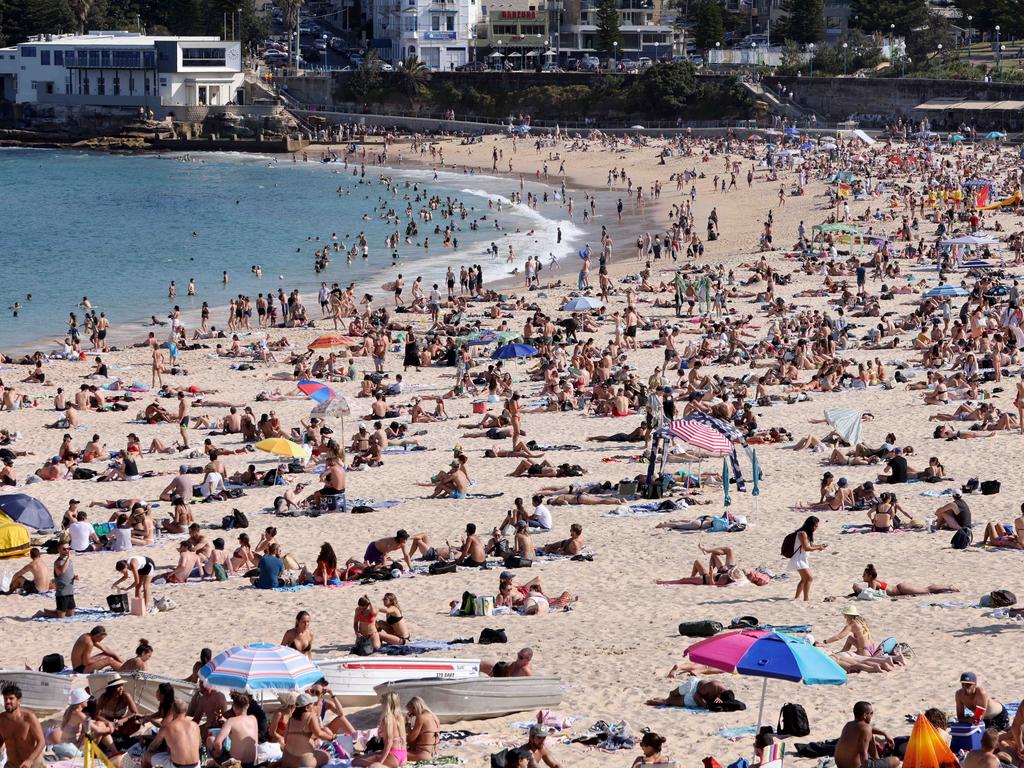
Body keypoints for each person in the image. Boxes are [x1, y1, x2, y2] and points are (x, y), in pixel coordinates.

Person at [834, 702, 898, 768]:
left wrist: (884, 733)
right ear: (865, 715)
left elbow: (868, 729)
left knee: (869, 735)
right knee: (896, 760)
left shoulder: (848, 725)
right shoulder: (866, 729)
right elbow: (863, 753)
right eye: (871, 713)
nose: (872, 715)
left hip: (840, 765)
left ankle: (877, 759)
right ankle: (877, 760)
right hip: (857, 766)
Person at [353, 691, 406, 768]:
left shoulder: (387, 718)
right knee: (377, 752)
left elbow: (389, 742)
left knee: (355, 761)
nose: (380, 703)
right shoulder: (400, 717)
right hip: (403, 755)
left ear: (386, 703)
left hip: (393, 757)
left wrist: (380, 762)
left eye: (382, 701)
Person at [145, 698, 201, 768]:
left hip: (176, 766)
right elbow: (198, 746)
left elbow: (154, 746)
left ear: (172, 710)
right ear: (186, 711)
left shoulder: (167, 727)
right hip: (196, 766)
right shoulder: (195, 726)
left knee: (146, 756)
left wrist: (149, 751)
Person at [0, 683, 46, 768]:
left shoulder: (28, 718)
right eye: (5, 698)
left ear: (19, 701)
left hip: (31, 765)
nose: (7, 701)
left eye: (11, 698)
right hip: (11, 765)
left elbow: (41, 742)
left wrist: (29, 760)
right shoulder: (1, 719)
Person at [207, 692, 258, 768]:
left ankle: (218, 765)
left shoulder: (231, 721)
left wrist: (217, 753)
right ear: (248, 706)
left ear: (234, 707)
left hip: (236, 764)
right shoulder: (253, 719)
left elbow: (217, 743)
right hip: (251, 763)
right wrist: (226, 722)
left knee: (210, 740)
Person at [787, 516, 827, 602]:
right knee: (809, 578)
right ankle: (806, 599)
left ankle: (797, 597)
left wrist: (820, 546)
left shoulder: (806, 533)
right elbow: (806, 548)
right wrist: (817, 548)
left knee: (804, 579)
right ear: (811, 525)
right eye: (816, 525)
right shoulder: (802, 533)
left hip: (802, 558)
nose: (817, 527)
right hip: (798, 559)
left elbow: (810, 546)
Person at [852, 564, 957, 596]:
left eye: (864, 575)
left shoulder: (873, 582)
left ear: (870, 576)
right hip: (900, 588)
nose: (862, 577)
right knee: (926, 589)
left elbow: (872, 595)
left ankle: (948, 587)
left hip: (901, 589)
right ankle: (946, 588)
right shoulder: (873, 581)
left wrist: (859, 589)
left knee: (926, 590)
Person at [645, 678, 732, 708]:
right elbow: (697, 695)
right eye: (719, 698)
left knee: (669, 702)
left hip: (697, 697)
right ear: (720, 694)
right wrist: (705, 705)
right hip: (693, 687)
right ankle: (651, 701)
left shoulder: (725, 694)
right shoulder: (714, 685)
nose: (718, 700)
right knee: (673, 694)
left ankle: (664, 700)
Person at [405, 697, 440, 762]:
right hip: (436, 754)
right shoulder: (435, 717)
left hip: (424, 756)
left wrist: (408, 723)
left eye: (412, 712)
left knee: (396, 754)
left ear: (414, 708)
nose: (413, 715)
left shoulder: (421, 717)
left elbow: (410, 740)